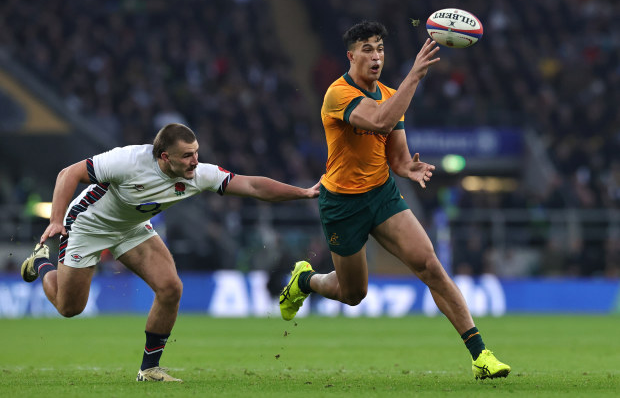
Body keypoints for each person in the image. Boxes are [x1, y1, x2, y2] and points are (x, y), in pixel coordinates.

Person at [279, 21, 511, 379]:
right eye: (368, 49)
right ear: (351, 55)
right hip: (342, 204)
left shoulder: (391, 94)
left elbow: (397, 156)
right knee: (353, 293)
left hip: (383, 195)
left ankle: (481, 355)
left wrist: (409, 169)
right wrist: (414, 76)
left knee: (430, 266)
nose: (376, 56)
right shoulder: (337, 94)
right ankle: (305, 280)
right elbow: (380, 121)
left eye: (381, 49)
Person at [21, 123, 320, 382]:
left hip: (132, 227)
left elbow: (253, 186)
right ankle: (42, 263)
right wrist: (57, 220)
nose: (195, 162)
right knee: (69, 307)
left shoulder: (198, 174)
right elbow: (68, 173)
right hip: (88, 225)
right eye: (187, 156)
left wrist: (302, 192)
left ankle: (149, 369)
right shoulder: (128, 160)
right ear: (165, 157)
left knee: (170, 288)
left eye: (196, 153)